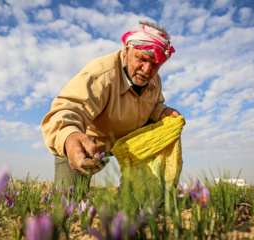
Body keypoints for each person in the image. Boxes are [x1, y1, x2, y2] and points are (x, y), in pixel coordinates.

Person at [41, 20, 183, 187]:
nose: (146, 70)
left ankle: (134, 197)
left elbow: (153, 104)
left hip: (130, 145)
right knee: (68, 200)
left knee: (142, 203)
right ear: (127, 50)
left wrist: (161, 111)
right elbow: (68, 108)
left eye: (154, 64)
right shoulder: (101, 74)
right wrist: (70, 138)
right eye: (141, 59)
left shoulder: (154, 80)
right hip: (90, 143)